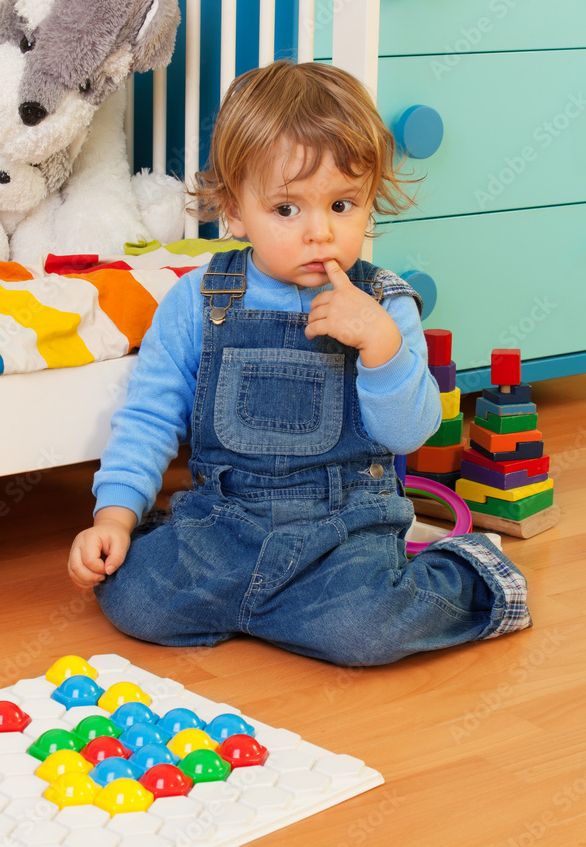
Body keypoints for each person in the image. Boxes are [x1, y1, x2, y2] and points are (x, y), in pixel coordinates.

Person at [68, 60, 531, 666]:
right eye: (287, 210)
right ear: (235, 210)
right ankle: (265, 605)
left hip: (342, 533)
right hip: (225, 524)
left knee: (364, 634)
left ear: (370, 201)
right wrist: (115, 518)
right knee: (135, 599)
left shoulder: (386, 303)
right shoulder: (199, 298)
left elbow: (409, 432)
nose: (319, 232)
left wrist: (381, 348)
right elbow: (150, 417)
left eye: (342, 204)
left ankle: (476, 573)